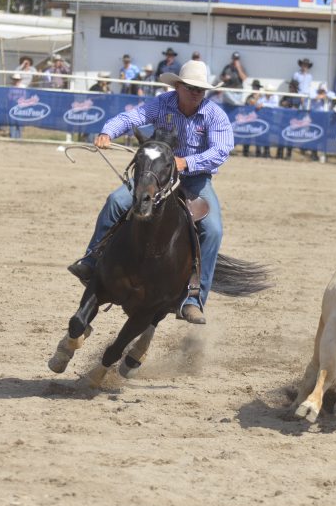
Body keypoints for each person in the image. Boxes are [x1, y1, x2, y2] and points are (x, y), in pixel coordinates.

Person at [69, 60, 231, 325]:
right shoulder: (161, 104)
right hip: (157, 175)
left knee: (213, 229)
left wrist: (186, 162)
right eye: (190, 88)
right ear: (178, 86)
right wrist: (108, 132)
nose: (196, 93)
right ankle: (92, 260)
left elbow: (221, 151)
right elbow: (130, 118)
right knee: (116, 201)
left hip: (194, 179)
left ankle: (193, 298)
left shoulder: (214, 115)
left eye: (200, 89)